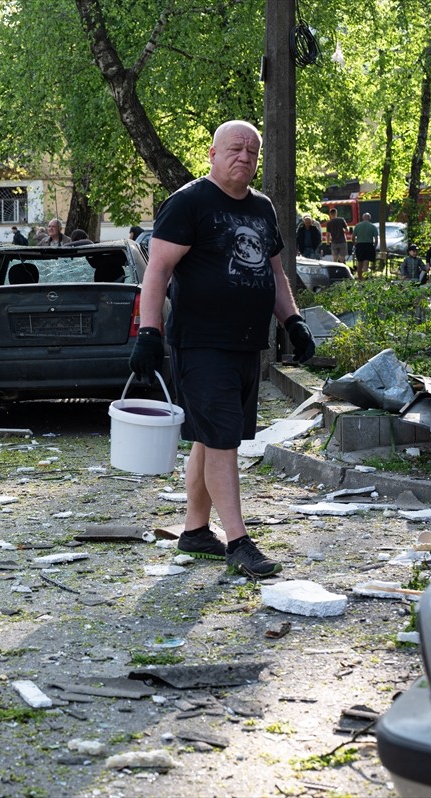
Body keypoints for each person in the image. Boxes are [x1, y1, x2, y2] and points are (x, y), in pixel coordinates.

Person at [128, 120, 314, 579]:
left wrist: (293, 320)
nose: (245, 157)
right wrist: (149, 332)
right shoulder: (189, 202)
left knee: (210, 439)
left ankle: (195, 531)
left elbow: (273, 273)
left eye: (253, 151)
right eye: (236, 148)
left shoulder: (263, 208)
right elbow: (158, 272)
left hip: (246, 345)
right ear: (212, 153)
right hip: (201, 342)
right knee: (224, 440)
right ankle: (238, 541)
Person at [352, 212, 378, 278]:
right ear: (370, 218)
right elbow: (376, 239)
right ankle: (366, 276)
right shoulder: (372, 226)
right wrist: (374, 247)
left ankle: (360, 277)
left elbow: (353, 237)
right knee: (366, 261)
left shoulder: (357, 226)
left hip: (360, 245)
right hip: (369, 245)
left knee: (360, 262)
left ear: (363, 218)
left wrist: (355, 245)